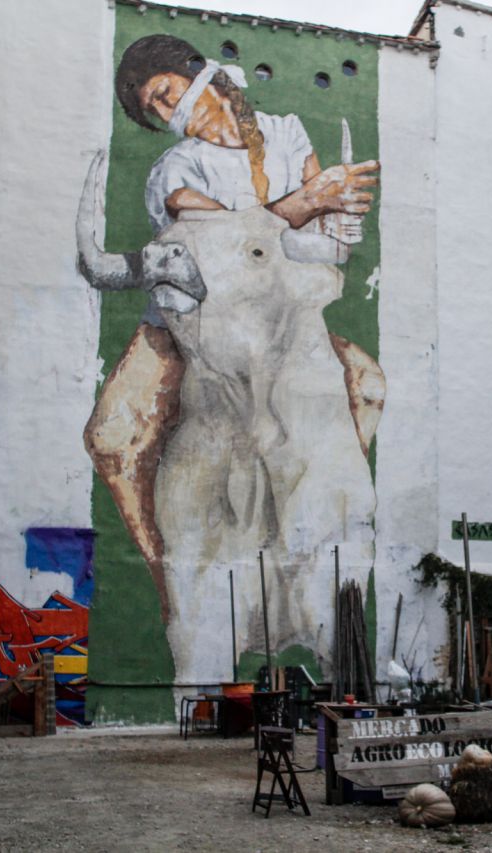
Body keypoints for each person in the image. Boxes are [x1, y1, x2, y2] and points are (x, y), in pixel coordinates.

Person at [86, 34, 384, 621]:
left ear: (201, 74)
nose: (169, 115)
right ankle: (173, 584)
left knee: (365, 387)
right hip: (191, 323)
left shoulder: (289, 131)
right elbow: (227, 254)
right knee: (113, 435)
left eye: (167, 94)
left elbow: (318, 246)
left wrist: (342, 220)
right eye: (156, 111)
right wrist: (307, 204)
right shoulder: (174, 169)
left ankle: (296, 554)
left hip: (284, 315)